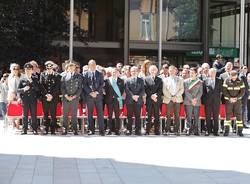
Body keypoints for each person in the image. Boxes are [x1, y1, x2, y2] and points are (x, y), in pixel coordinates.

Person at [83, 59, 105, 136]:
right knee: (89, 114)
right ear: (88, 65)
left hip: (98, 96)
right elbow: (84, 85)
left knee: (100, 114)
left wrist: (96, 92)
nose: (92, 66)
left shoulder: (100, 74)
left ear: (95, 65)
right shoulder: (85, 74)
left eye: (94, 64)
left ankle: (102, 130)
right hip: (89, 96)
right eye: (91, 65)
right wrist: (90, 92)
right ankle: (91, 130)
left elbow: (102, 84)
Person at [61, 61, 83, 135]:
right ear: (67, 68)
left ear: (74, 68)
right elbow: (62, 88)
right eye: (69, 67)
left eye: (72, 67)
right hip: (66, 98)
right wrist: (66, 95)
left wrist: (74, 96)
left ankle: (75, 129)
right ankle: (65, 130)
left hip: (75, 98)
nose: (71, 68)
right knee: (65, 115)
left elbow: (80, 88)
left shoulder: (79, 76)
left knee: (74, 115)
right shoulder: (64, 76)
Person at [17, 63, 40, 135]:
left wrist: (32, 82)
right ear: (25, 70)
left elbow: (37, 89)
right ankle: (24, 129)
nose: (27, 70)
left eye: (29, 69)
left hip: (33, 99)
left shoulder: (35, 78)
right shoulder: (22, 79)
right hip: (25, 99)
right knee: (25, 115)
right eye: (26, 69)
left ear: (32, 70)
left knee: (34, 115)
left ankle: (34, 129)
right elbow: (18, 90)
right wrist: (23, 89)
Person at [40, 61, 61, 135]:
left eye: (50, 68)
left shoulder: (57, 76)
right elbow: (41, 86)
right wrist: (46, 95)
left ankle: (53, 129)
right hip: (45, 98)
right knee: (45, 114)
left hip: (53, 98)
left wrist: (51, 95)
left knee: (53, 114)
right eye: (47, 68)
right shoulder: (42, 75)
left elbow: (58, 87)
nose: (49, 69)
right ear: (46, 68)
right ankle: (46, 128)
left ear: (53, 68)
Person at [162, 65, 184, 135]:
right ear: (168, 71)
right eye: (170, 70)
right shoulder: (165, 80)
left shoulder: (180, 79)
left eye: (173, 70)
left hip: (177, 99)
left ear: (176, 71)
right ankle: (167, 130)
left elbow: (182, 89)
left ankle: (176, 130)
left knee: (176, 115)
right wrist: (171, 97)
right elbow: (164, 90)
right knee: (168, 115)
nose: (171, 72)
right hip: (168, 99)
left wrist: (175, 96)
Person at [222, 70, 245, 136]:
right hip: (229, 101)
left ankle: (240, 131)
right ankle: (226, 131)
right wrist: (230, 98)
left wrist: (236, 98)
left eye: (235, 77)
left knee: (239, 116)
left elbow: (242, 91)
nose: (234, 79)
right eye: (232, 77)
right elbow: (224, 91)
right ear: (230, 76)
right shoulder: (226, 80)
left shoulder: (240, 81)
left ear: (237, 76)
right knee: (228, 116)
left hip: (237, 102)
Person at [125, 66, 145, 135]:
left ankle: (138, 130)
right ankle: (129, 130)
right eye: (132, 71)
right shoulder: (127, 80)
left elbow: (143, 90)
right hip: (129, 100)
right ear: (130, 72)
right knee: (129, 116)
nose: (134, 72)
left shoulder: (141, 80)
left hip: (138, 100)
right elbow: (127, 90)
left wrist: (138, 96)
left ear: (138, 72)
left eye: (135, 71)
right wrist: (133, 96)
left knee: (137, 116)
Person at [104, 67, 125, 135]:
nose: (114, 73)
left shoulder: (121, 80)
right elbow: (106, 90)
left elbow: (121, 91)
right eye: (113, 72)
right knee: (109, 116)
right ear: (111, 73)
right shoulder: (107, 80)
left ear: (118, 73)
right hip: (109, 100)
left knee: (117, 116)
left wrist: (117, 96)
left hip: (117, 100)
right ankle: (109, 129)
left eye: (116, 72)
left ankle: (117, 129)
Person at [184, 67, 203, 136]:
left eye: (192, 73)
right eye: (190, 73)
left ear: (196, 74)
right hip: (188, 101)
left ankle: (196, 130)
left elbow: (200, 92)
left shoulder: (200, 82)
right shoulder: (185, 81)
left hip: (197, 102)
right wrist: (191, 99)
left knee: (196, 116)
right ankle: (188, 129)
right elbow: (186, 91)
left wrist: (195, 99)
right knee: (188, 116)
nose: (191, 74)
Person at [203, 68, 222, 136]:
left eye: (214, 72)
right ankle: (208, 130)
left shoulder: (219, 80)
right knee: (207, 117)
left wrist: (220, 100)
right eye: (211, 72)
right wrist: (204, 101)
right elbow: (204, 92)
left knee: (215, 117)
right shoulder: (205, 81)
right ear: (209, 73)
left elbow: (221, 91)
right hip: (208, 102)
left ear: (216, 73)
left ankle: (215, 131)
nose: (212, 74)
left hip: (216, 102)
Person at [144, 65, 163, 135]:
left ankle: (156, 130)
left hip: (156, 100)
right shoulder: (146, 79)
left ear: (157, 71)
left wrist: (155, 96)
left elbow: (160, 90)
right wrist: (151, 95)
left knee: (156, 116)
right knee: (148, 116)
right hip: (149, 100)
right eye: (151, 70)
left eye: (154, 70)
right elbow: (146, 89)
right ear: (149, 71)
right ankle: (147, 130)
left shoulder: (160, 79)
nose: (153, 71)